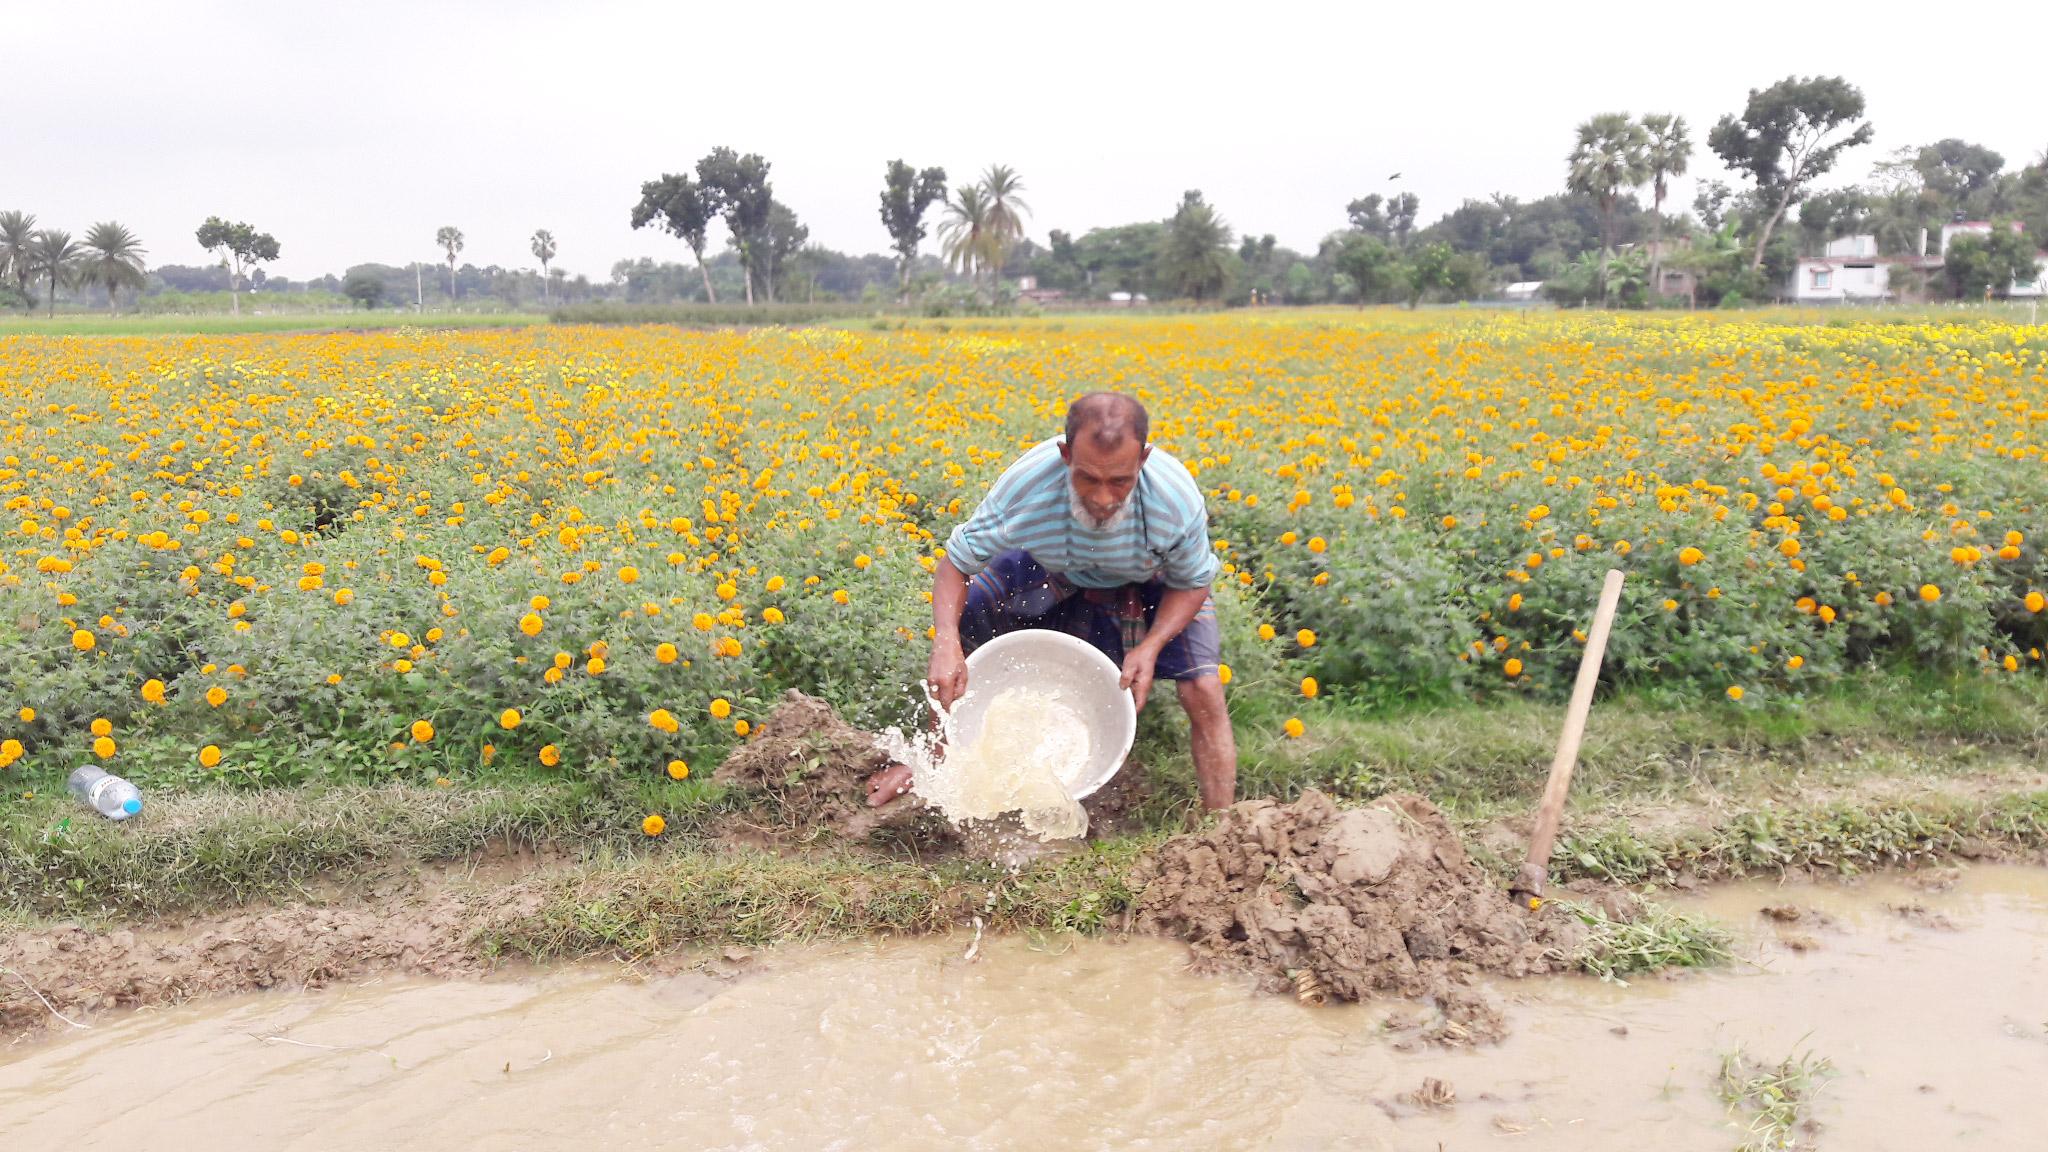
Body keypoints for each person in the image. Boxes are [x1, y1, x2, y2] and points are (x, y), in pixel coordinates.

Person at [864, 392, 1239, 811]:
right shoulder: (1027, 488)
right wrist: (947, 639)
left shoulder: (1174, 501)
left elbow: (1193, 583)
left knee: (1204, 686)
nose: (1101, 498)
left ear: (1143, 459)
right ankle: (935, 765)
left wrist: (1151, 647)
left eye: (1119, 481)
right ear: (1064, 455)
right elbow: (956, 564)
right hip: (1056, 569)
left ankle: (1220, 825)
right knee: (964, 625)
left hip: (1155, 581)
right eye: (1087, 478)